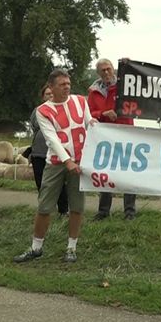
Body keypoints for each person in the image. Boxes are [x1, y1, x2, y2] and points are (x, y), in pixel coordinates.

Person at [14, 69, 94, 264]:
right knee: (44, 206)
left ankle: (71, 248)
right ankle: (36, 247)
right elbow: (52, 139)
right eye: (62, 84)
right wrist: (67, 161)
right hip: (57, 162)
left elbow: (89, 122)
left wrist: (95, 124)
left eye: (68, 83)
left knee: (76, 206)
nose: (67, 87)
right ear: (51, 87)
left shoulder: (80, 101)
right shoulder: (43, 111)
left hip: (80, 162)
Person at [88, 58, 137, 221]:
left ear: (114, 70)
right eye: (103, 70)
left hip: (125, 134)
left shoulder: (124, 86)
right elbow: (88, 113)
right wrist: (103, 114)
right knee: (105, 173)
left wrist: (128, 67)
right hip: (104, 137)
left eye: (109, 69)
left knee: (128, 172)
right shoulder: (93, 92)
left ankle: (129, 211)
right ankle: (103, 211)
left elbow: (138, 85)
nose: (106, 72)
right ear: (98, 73)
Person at [26, 83, 68, 216]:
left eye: (52, 93)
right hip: (39, 152)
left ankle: (63, 210)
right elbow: (34, 126)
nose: (50, 96)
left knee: (60, 184)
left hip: (56, 154)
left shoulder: (63, 109)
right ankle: (46, 210)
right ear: (43, 97)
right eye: (47, 94)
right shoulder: (37, 111)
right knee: (41, 182)